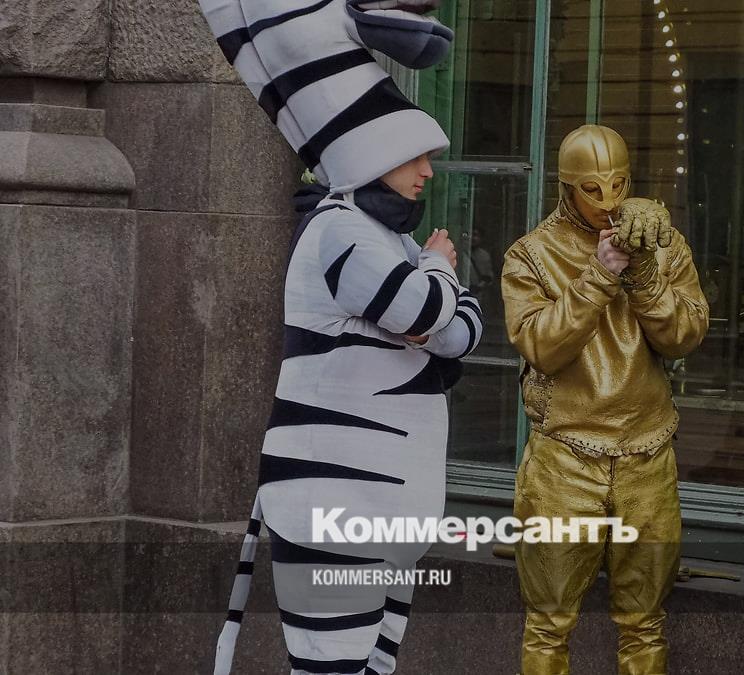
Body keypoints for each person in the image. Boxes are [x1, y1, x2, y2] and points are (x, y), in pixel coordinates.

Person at [199, 2, 483, 673]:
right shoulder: (342, 231)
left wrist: (433, 298)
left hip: (375, 505)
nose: (427, 172)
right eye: (414, 156)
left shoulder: (384, 238)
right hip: (339, 499)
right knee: (333, 665)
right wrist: (441, 271)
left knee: (365, 664)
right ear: (372, 153)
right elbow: (426, 312)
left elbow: (458, 335)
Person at [500, 124, 709, 675]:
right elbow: (542, 347)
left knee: (645, 622)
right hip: (565, 458)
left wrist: (644, 272)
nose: (609, 201)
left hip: (647, 454)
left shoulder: (663, 244)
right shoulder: (531, 255)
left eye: (619, 185)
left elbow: (684, 337)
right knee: (548, 623)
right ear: (566, 187)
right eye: (592, 189)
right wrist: (600, 274)